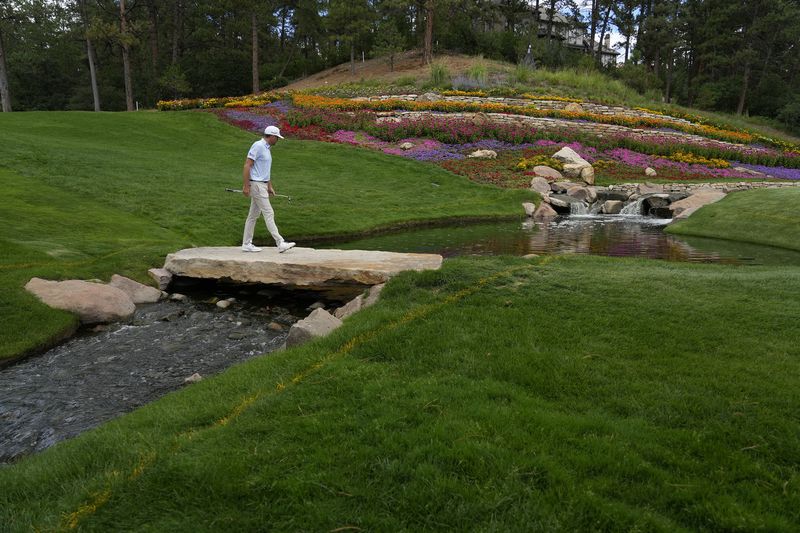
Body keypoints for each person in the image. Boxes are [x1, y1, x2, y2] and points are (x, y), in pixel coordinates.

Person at [241, 125, 296, 253]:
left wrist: (269, 186)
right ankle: (280, 242)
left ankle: (246, 243)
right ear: (271, 136)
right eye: (276, 137)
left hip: (263, 185)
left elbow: (265, 170)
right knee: (269, 212)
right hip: (257, 185)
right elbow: (247, 165)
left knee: (253, 215)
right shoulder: (258, 146)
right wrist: (246, 185)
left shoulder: (267, 148)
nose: (277, 140)